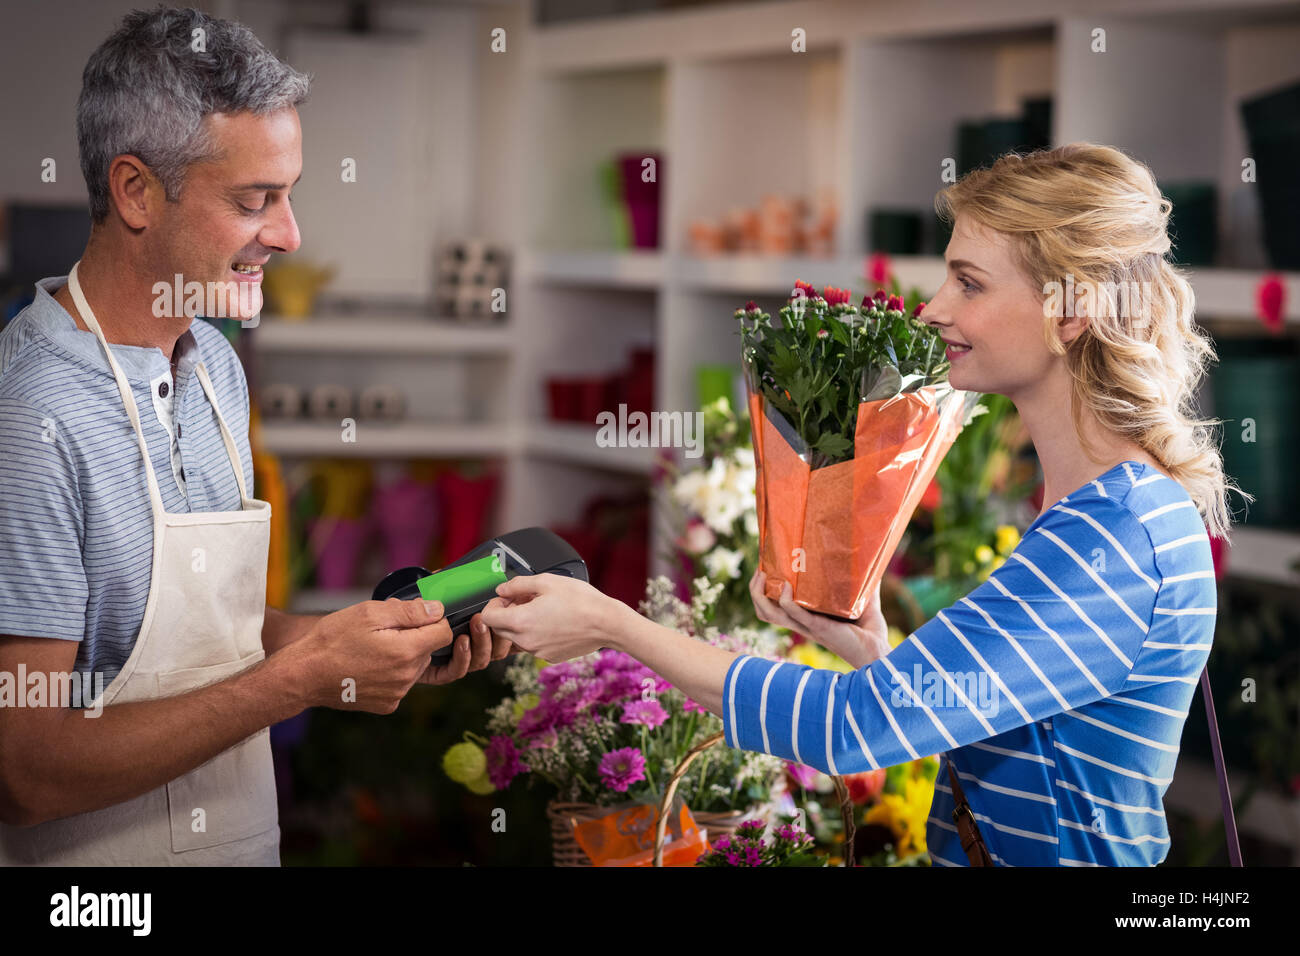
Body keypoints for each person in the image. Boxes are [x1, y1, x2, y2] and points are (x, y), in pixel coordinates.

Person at [478, 143, 1246, 866]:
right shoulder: (1105, 511)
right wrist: (875, 655)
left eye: (970, 284)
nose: (933, 309)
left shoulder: (1114, 537)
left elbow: (851, 728)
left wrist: (613, 625)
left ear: (1070, 312)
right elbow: (1029, 738)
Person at [0, 8, 510, 865]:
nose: (289, 234)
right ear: (135, 193)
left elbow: (218, 639)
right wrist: (296, 684)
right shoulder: (30, 415)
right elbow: (25, 772)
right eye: (253, 201)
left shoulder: (215, 366)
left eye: (289, 192)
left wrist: (370, 642)